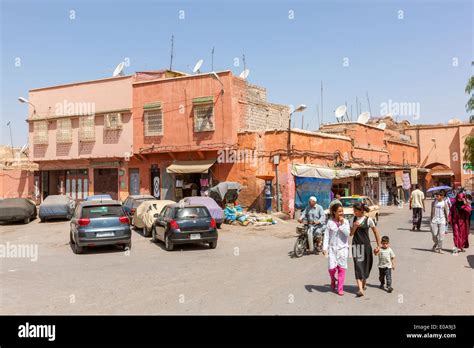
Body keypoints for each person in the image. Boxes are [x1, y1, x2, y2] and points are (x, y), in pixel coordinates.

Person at [350, 202, 381, 297]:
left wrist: (378, 245)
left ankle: (364, 282)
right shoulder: (353, 219)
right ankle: (360, 289)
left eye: (355, 210)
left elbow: (376, 232)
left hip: (366, 245)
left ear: (361, 210)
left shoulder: (369, 220)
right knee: (358, 266)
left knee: (366, 265)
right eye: (353, 210)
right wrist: (354, 227)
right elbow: (351, 234)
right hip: (356, 245)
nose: (354, 212)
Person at [322, 203, 350, 296]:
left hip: (343, 249)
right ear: (334, 212)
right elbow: (326, 236)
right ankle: (333, 279)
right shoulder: (330, 222)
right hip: (332, 249)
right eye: (339, 211)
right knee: (331, 268)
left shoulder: (346, 221)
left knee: (342, 269)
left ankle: (340, 288)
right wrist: (324, 248)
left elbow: (347, 233)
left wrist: (342, 225)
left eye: (342, 211)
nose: (341, 213)